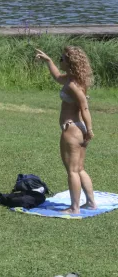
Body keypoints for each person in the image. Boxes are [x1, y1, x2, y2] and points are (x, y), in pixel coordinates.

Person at [35, 47, 96, 215]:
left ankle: (74, 208)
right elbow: (57, 76)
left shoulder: (73, 85)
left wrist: (90, 130)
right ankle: (91, 203)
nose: (59, 60)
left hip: (72, 129)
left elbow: (84, 107)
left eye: (61, 58)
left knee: (72, 171)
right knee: (79, 169)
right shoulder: (72, 79)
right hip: (78, 128)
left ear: (69, 62)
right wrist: (48, 60)